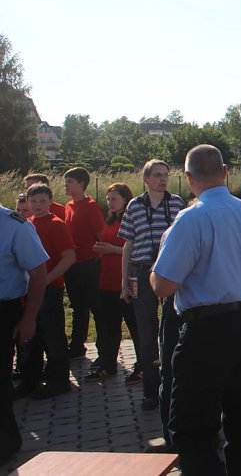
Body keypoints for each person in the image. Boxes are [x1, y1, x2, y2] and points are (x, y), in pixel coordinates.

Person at [152, 144, 241, 475]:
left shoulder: (190, 219)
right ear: (225, 172)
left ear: (188, 178)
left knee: (191, 426)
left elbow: (162, 286)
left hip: (208, 329)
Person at [119, 158, 185, 450]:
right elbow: (128, 245)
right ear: (145, 179)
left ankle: (172, 387)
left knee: (172, 331)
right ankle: (150, 391)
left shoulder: (177, 204)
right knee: (146, 335)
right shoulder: (134, 206)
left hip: (169, 270)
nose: (163, 180)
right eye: (157, 175)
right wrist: (124, 281)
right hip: (142, 269)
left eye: (166, 175)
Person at [16, 184, 75, 399]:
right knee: (30, 337)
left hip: (50, 289)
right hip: (28, 290)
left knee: (53, 336)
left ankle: (59, 381)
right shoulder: (26, 224)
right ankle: (29, 381)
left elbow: (69, 257)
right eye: (34, 202)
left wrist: (46, 280)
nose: (38, 205)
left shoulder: (56, 225)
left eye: (42, 201)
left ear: (50, 201)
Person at [0, 202, 48, 465]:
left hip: (4, 311)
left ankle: (6, 445)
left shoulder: (14, 226)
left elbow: (38, 272)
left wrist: (29, 317)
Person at [86, 183, 141, 381]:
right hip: (107, 279)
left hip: (124, 280)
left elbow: (136, 250)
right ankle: (108, 364)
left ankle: (142, 365)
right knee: (110, 326)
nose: (110, 203)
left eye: (114, 199)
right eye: (108, 199)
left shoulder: (131, 219)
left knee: (134, 325)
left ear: (126, 199)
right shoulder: (109, 220)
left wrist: (112, 249)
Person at [62, 166, 105, 359]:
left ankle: (104, 347)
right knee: (78, 307)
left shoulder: (91, 206)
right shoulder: (69, 206)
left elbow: (100, 235)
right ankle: (77, 345)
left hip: (89, 264)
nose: (66, 185)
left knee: (96, 307)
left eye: (70, 182)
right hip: (72, 265)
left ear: (81, 184)